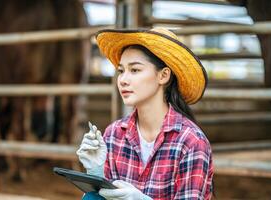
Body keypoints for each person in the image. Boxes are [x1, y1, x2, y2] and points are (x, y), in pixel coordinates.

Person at [77, 27, 213, 200]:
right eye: (121, 71)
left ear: (163, 76)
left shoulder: (191, 142)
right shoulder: (114, 134)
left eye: (134, 70)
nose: (123, 80)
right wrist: (95, 172)